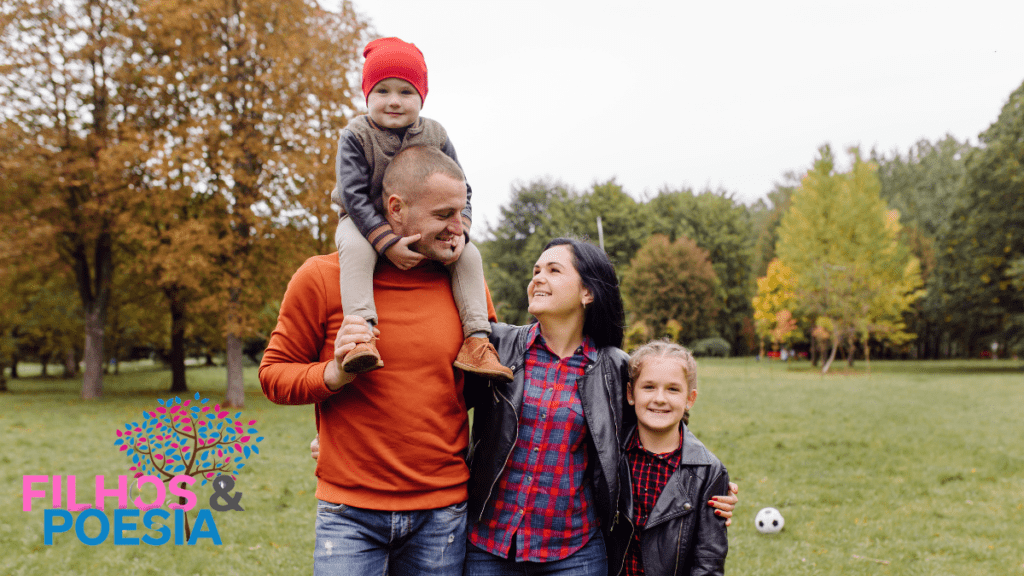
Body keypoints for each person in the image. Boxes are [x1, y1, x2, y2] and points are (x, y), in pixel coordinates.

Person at [261, 146, 491, 575]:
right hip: (350, 513)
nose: (458, 227)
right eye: (443, 214)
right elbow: (273, 375)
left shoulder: (463, 285)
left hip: (441, 513)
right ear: (396, 208)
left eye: (461, 212)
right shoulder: (320, 278)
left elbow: (482, 390)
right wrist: (334, 374)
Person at [461, 238, 738, 575]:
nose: (537, 278)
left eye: (553, 270)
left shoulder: (615, 369)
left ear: (587, 293)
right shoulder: (498, 345)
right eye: (536, 270)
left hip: (574, 553)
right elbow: (447, 413)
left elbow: (659, 428)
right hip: (488, 544)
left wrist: (708, 483)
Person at [332, 36, 510, 382]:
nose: (394, 101)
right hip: (362, 218)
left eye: (406, 91)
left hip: (425, 222)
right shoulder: (356, 135)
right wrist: (385, 241)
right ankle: (361, 334)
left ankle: (477, 340)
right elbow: (353, 194)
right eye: (382, 91)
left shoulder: (435, 134)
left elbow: (463, 187)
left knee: (469, 256)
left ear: (422, 97)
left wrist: (463, 230)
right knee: (355, 249)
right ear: (367, 95)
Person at [607, 341, 729, 576]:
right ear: (631, 394)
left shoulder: (708, 471)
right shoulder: (609, 452)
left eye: (673, 389)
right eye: (649, 387)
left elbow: (708, 560)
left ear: (689, 399)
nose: (660, 398)